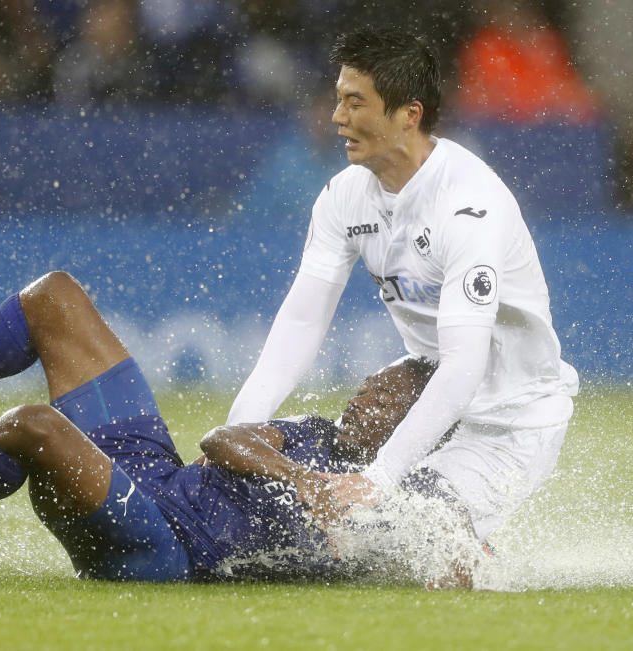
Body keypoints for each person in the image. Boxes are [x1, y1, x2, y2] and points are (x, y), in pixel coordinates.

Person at [0, 271, 450, 582]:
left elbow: (430, 552)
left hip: (164, 548)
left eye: (387, 390)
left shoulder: (393, 495)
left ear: (416, 419)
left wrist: (446, 564)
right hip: (156, 478)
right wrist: (301, 478)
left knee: (33, 426)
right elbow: (220, 440)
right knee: (54, 298)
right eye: (373, 379)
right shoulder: (314, 434)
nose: (367, 388)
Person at [226, 27, 579, 543]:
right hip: (422, 391)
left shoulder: (468, 207)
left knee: (417, 537)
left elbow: (465, 366)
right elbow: (302, 322)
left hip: (510, 414)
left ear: (408, 114)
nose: (337, 116)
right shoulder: (343, 197)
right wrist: (242, 428)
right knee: (323, 528)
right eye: (338, 99)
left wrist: (380, 478)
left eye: (355, 102)